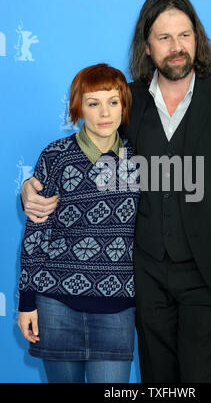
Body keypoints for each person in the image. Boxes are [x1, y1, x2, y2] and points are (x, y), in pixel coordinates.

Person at [21, 0, 211, 383]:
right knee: (157, 379)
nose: (177, 47)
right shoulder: (127, 101)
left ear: (198, 38)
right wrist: (28, 187)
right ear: (147, 46)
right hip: (145, 276)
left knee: (202, 377)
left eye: (185, 35)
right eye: (164, 38)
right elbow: (86, 155)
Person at [18, 63, 140, 383]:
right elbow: (36, 231)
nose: (104, 113)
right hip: (55, 304)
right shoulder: (55, 156)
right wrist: (27, 300)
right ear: (78, 108)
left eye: (113, 102)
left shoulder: (141, 157)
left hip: (119, 307)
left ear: (124, 105)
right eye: (93, 102)